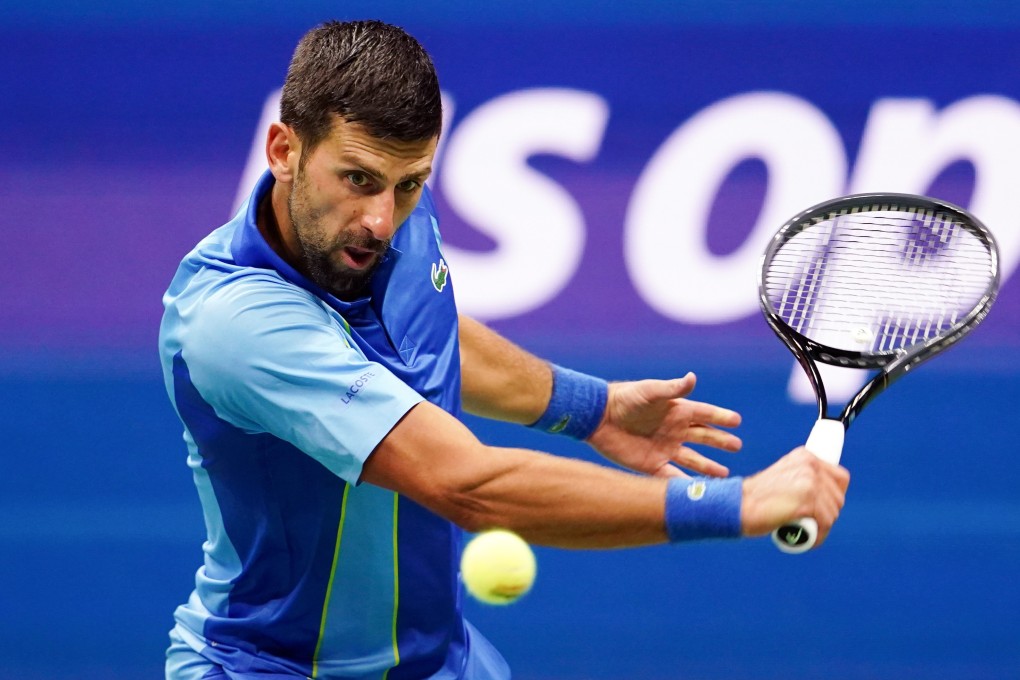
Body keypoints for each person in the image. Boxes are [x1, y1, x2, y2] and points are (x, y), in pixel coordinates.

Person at [158, 19, 850, 680]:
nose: (380, 219)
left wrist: (591, 409)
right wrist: (736, 503)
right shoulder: (237, 324)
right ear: (283, 151)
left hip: (429, 662)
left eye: (409, 184)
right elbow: (468, 484)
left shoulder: (389, 217)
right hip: (273, 667)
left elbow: (426, 331)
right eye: (358, 179)